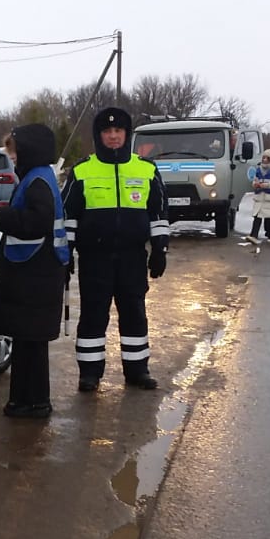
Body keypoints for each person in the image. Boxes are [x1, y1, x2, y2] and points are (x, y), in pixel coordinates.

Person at [62, 107, 169, 393]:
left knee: (134, 313)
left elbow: (158, 213)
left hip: (132, 257)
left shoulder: (146, 169)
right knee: (94, 315)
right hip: (95, 258)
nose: (112, 136)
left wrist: (160, 249)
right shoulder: (82, 170)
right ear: (99, 136)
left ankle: (137, 370)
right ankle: (90, 374)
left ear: (126, 134)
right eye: (107, 132)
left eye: (118, 131)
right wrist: (66, 251)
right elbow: (69, 215)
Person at [0, 123, 69, 419]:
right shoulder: (39, 177)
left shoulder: (37, 181)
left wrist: (3, 216)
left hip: (35, 275)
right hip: (39, 273)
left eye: (15, 150)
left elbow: (37, 222)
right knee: (29, 343)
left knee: (30, 343)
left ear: (29, 149)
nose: (13, 156)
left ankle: (31, 403)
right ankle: (27, 400)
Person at [246, 148, 270, 243]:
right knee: (257, 216)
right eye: (264, 157)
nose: (265, 160)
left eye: (268, 158)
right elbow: (255, 179)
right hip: (260, 195)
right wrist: (255, 184)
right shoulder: (259, 169)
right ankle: (253, 235)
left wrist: (269, 185)